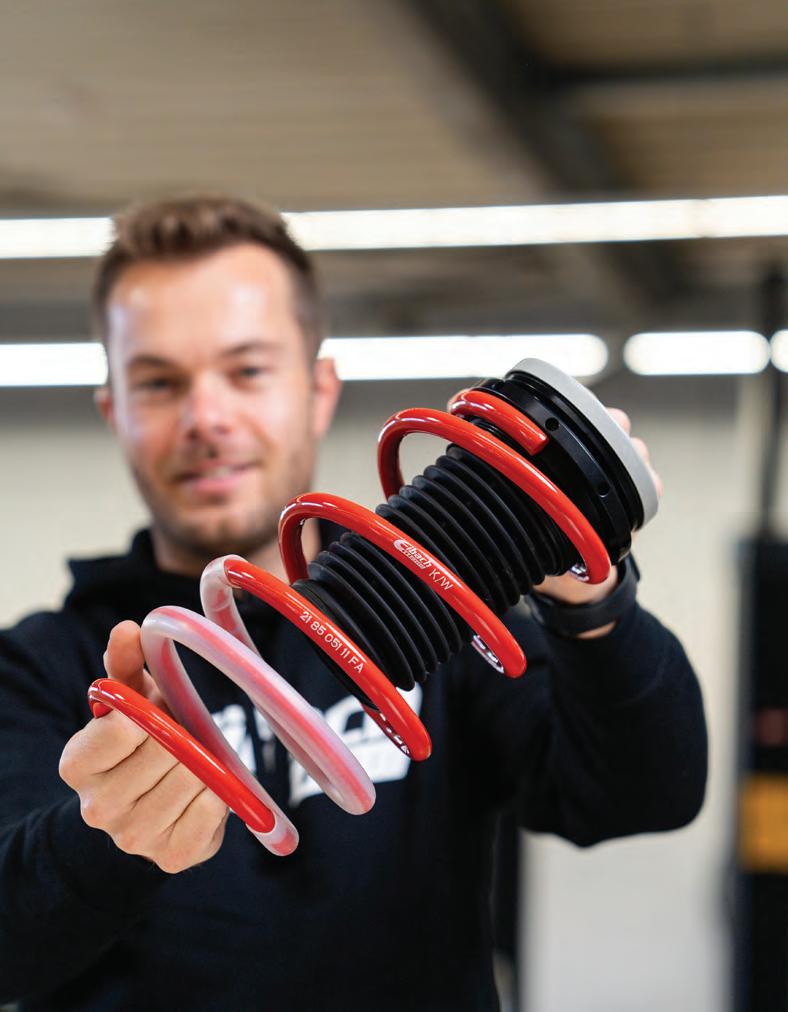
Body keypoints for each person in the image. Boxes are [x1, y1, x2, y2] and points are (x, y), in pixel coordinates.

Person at [0, 195, 707, 1012]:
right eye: (158, 382)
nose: (206, 418)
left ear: (318, 389)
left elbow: (643, 794)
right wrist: (99, 839)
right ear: (114, 410)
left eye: (248, 370)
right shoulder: (42, 667)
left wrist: (589, 595)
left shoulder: (444, 623)